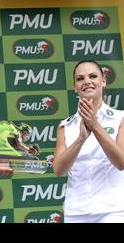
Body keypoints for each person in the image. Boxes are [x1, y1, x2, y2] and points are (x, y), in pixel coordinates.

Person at [53, 60, 124, 223]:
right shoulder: (65, 125)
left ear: (103, 81)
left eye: (93, 76)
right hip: (76, 211)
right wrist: (81, 139)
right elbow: (58, 169)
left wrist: (95, 126)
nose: (87, 82)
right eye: (80, 79)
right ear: (75, 87)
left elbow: (121, 162)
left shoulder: (120, 118)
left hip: (113, 210)